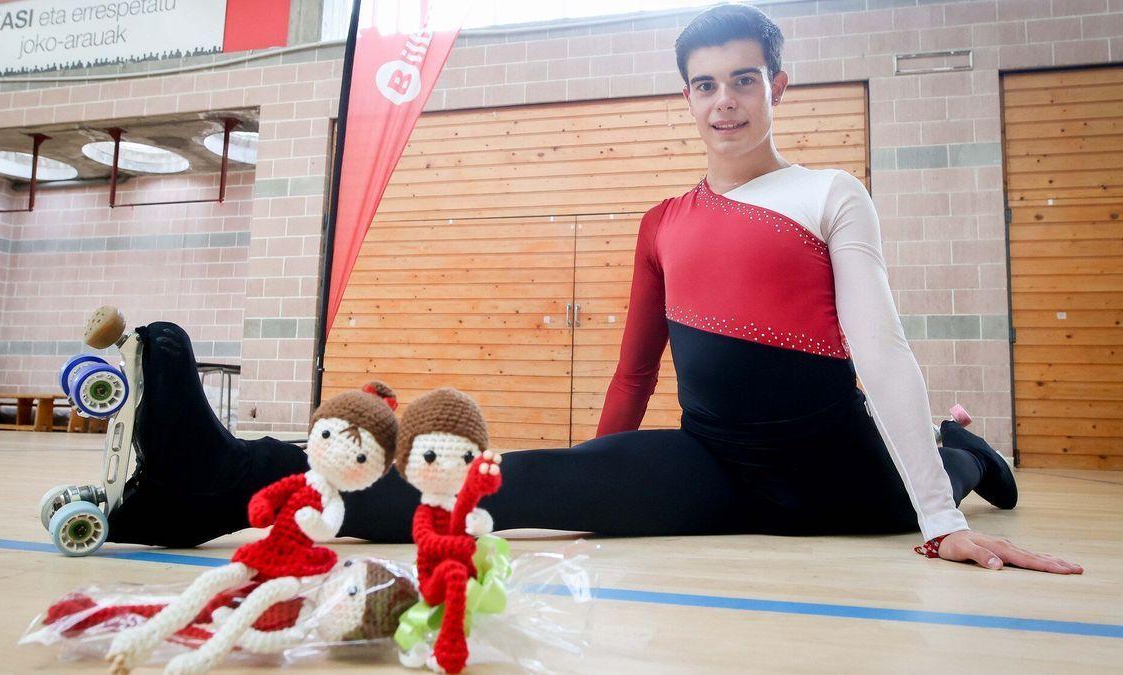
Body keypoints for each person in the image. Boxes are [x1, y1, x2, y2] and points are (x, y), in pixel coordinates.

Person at [107, 4, 1080, 575]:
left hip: (838, 472)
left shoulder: (830, 194)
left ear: (780, 83)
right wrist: (597, 464)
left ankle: (973, 447)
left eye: (744, 80)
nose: (726, 102)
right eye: (705, 85)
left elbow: (881, 352)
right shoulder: (665, 222)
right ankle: (212, 484)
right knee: (491, 489)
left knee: (955, 466)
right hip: (713, 460)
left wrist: (945, 519)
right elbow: (634, 370)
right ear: (687, 96)